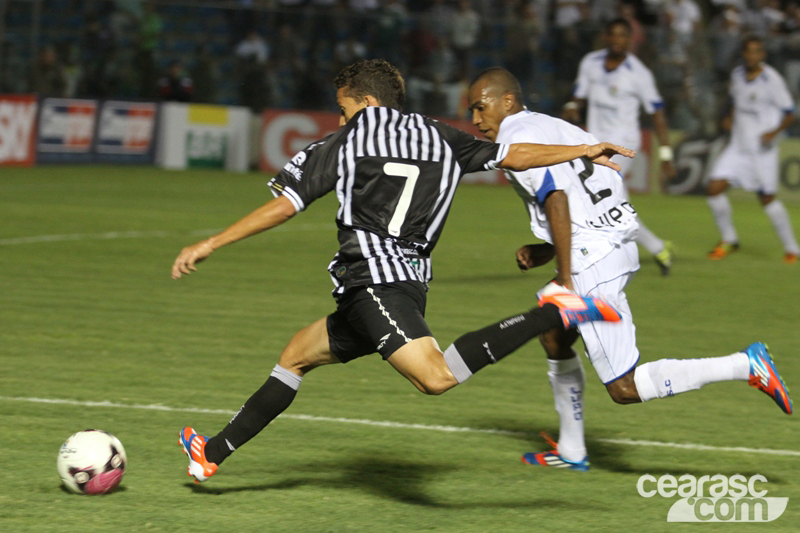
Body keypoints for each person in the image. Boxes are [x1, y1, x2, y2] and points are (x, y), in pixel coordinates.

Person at [172, 59, 632, 483]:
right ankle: (210, 453)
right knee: (295, 356)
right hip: (395, 285)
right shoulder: (443, 136)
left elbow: (285, 205)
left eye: (344, 108)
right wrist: (583, 148)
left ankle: (552, 314)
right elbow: (515, 154)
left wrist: (212, 242)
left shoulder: (346, 141)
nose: (340, 119)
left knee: (435, 377)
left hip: (376, 283)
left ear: (368, 103)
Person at [468, 67, 793, 471]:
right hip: (614, 244)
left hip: (592, 262)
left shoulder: (517, 140)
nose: (476, 120)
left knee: (623, 387)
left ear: (507, 101)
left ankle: (746, 365)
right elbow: (596, 185)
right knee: (553, 335)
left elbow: (556, 198)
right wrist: (549, 250)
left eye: (480, 108)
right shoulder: (558, 128)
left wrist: (567, 278)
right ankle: (571, 450)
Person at [563, 18, 676, 276]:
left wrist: (666, 155)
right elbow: (577, 96)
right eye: (612, 35)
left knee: (602, 198)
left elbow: (657, 114)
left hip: (623, 144)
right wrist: (572, 107)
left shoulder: (639, 73)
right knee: (614, 203)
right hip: (594, 142)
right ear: (606, 37)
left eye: (623, 35)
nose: (617, 40)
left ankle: (594, 255)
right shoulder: (590, 63)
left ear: (630, 40)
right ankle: (657, 246)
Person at [705, 36, 799, 264]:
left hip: (761, 150)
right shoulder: (737, 75)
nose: (752, 56)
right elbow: (736, 101)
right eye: (748, 51)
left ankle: (792, 249)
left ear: (762, 55)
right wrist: (728, 117)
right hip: (738, 146)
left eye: (757, 51)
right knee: (714, 189)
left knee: (766, 198)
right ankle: (729, 239)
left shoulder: (771, 79)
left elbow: (790, 113)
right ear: (743, 54)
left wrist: (773, 133)